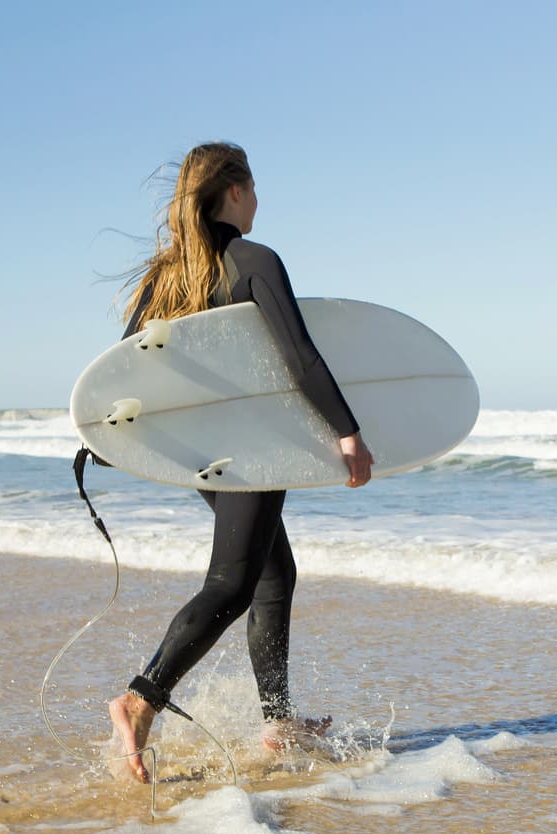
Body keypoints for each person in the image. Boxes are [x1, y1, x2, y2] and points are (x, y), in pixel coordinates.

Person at [107, 142, 373, 784]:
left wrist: (118, 440)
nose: (258, 201)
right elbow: (300, 357)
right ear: (235, 191)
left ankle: (278, 721)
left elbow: (127, 365)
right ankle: (140, 699)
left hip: (203, 453)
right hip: (255, 446)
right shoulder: (255, 261)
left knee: (274, 572)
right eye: (254, 189)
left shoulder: (169, 275)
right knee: (231, 584)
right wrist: (347, 432)